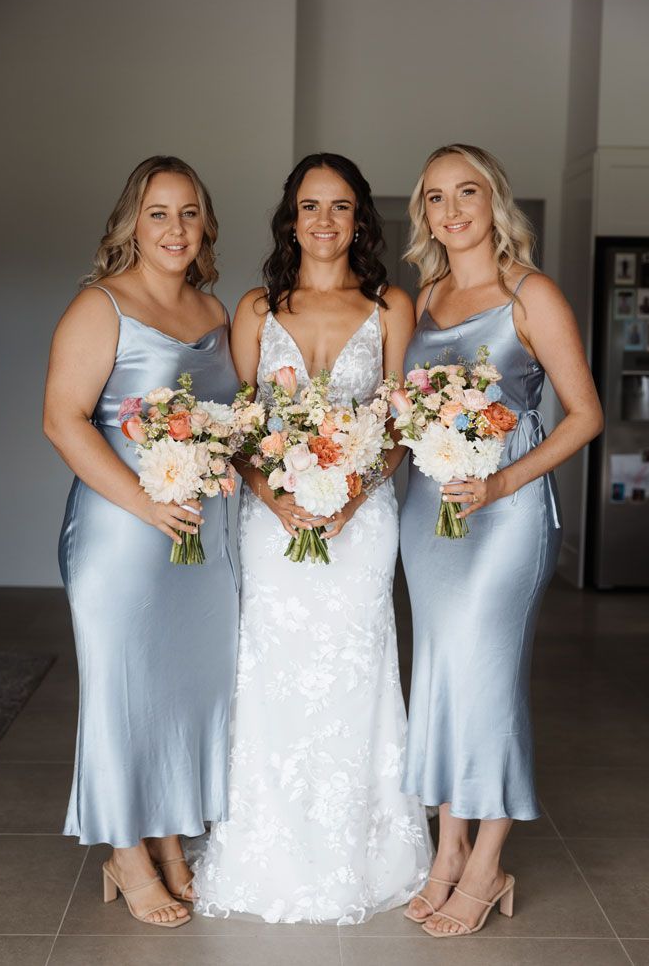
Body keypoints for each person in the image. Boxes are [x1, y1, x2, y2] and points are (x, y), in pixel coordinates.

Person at [190, 152, 432, 924]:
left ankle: (369, 852)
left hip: (364, 524)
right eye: (308, 207)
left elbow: (397, 422)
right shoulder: (257, 308)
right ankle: (269, 847)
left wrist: (356, 492)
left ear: (360, 217)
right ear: (290, 219)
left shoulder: (393, 303)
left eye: (338, 207)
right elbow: (234, 427)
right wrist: (275, 495)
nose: (323, 221)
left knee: (360, 668)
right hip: (274, 522)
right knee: (270, 670)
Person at [400, 144, 603, 938]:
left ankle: (489, 864)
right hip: (431, 510)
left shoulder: (532, 293)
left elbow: (584, 415)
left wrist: (501, 485)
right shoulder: (429, 293)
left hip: (506, 509)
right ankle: (447, 852)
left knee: (486, 680)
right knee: (443, 676)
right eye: (437, 197)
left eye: (468, 192)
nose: (452, 210)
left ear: (495, 202)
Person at [43, 156, 239, 928]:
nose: (175, 229)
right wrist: (143, 503)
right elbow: (62, 420)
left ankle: (165, 841)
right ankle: (125, 853)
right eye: (159, 213)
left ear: (205, 225)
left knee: (181, 690)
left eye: (189, 213)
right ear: (132, 221)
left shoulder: (215, 309)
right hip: (122, 531)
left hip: (201, 538)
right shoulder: (100, 307)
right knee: (124, 689)